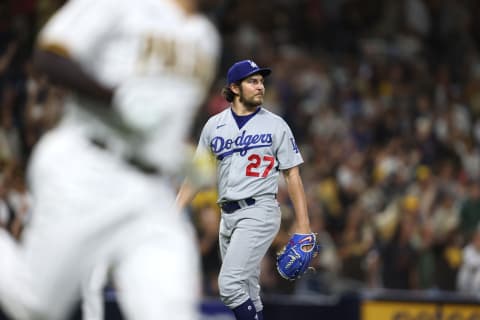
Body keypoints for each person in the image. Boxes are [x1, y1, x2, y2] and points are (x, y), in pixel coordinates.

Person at [0, 0, 220, 319]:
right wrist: (115, 99)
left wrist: (175, 153)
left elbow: (164, 115)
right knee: (36, 306)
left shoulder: (206, 37)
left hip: (150, 190)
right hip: (88, 164)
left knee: (170, 311)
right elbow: (49, 55)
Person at [176, 59, 313, 320]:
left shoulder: (276, 125)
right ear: (235, 88)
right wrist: (174, 211)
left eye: (261, 81)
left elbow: (292, 174)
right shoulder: (213, 126)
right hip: (227, 215)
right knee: (248, 292)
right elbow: (195, 177)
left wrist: (303, 224)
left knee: (229, 285)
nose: (260, 86)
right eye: (253, 81)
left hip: (259, 210)